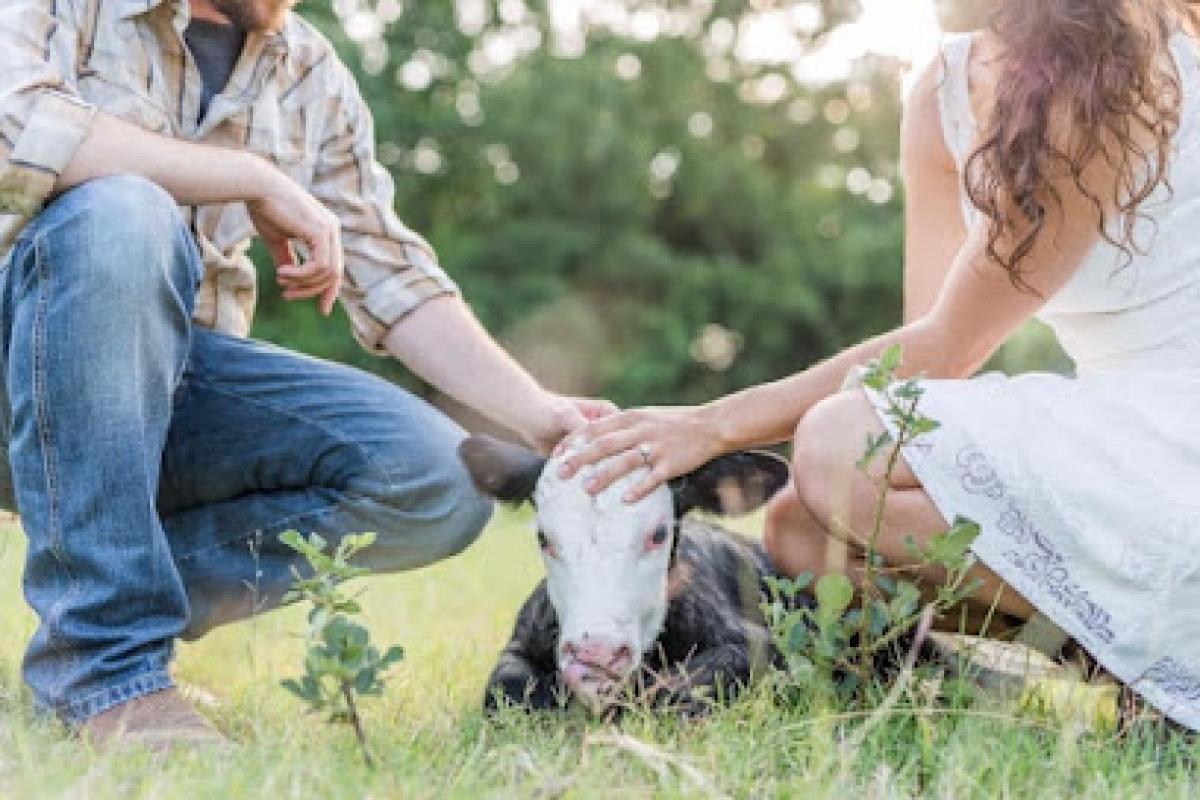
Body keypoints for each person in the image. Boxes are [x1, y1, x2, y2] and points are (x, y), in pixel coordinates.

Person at [562, 0, 1200, 731]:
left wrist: (713, 426)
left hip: (1182, 424)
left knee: (841, 447)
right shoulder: (940, 94)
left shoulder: (1112, 63)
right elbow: (923, 369)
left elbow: (946, 347)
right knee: (802, 531)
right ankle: (1147, 677)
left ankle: (1167, 665)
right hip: (1122, 422)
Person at [0, 0, 612, 747]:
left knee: (435, 481)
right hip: (15, 358)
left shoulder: (308, 69)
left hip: (161, 391)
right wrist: (249, 176)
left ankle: (110, 600)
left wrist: (539, 412)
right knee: (125, 212)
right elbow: (17, 129)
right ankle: (105, 674)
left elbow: (392, 275)